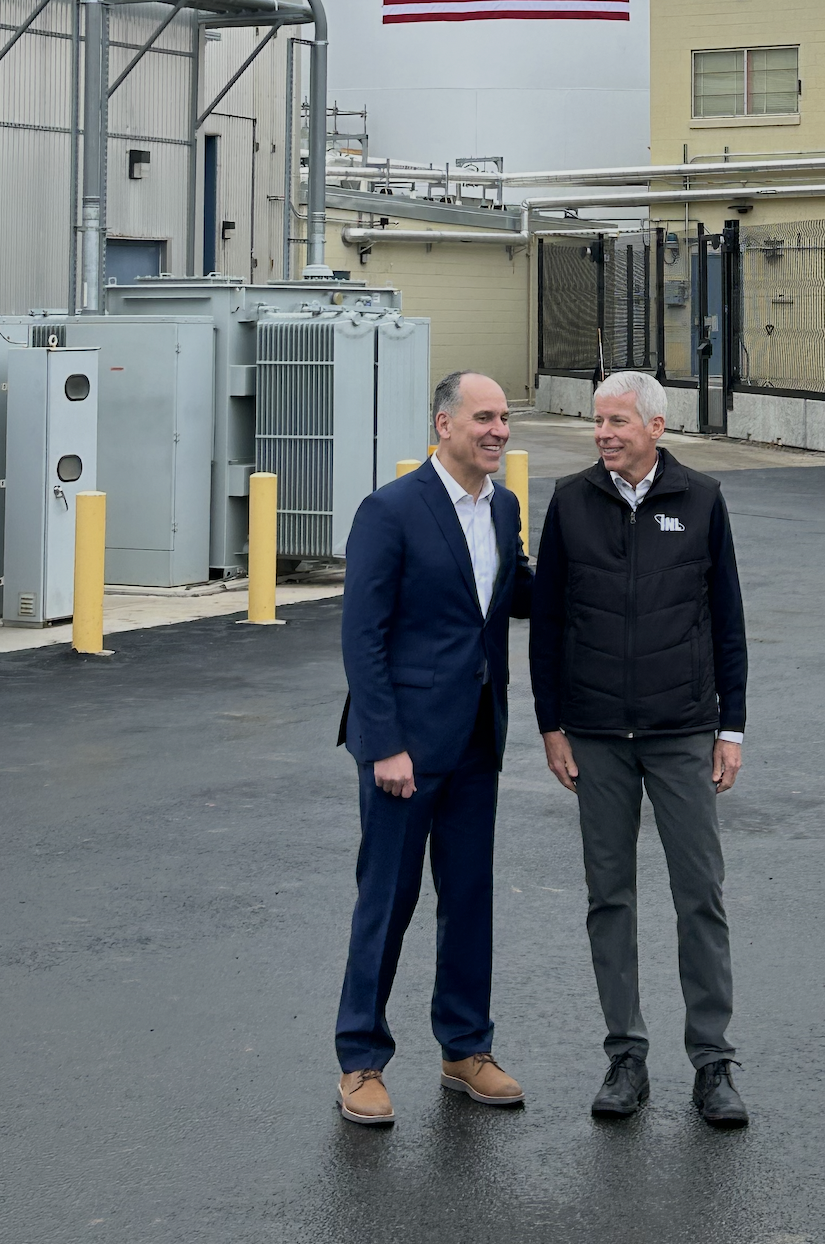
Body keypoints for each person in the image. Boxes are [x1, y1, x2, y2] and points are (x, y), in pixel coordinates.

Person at [530, 370, 750, 1129]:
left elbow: (727, 619)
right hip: (595, 735)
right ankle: (626, 1056)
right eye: (599, 421)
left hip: (681, 730)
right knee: (610, 897)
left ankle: (713, 1061)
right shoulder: (570, 501)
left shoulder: (702, 501)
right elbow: (548, 625)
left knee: (701, 895)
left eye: (618, 421)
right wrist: (550, 725)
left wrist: (731, 728)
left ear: (657, 426)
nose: (603, 434)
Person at [333, 370, 533, 1126]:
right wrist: (383, 743)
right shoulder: (391, 511)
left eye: (505, 417)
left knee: (470, 899)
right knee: (388, 901)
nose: (499, 430)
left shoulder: (502, 504)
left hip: (477, 739)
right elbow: (364, 636)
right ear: (444, 425)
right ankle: (360, 1060)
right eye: (484, 417)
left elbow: (504, 593)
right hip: (404, 752)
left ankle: (465, 1048)